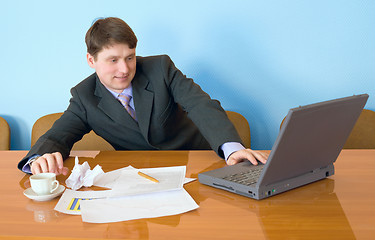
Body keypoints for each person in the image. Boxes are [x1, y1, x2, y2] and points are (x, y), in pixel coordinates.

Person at [18, 17, 267, 175]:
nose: (125, 69)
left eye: (130, 57)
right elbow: (58, 134)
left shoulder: (160, 68)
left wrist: (232, 149)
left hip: (197, 164)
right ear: (91, 60)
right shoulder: (84, 96)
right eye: (113, 60)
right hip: (139, 177)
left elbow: (200, 103)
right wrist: (40, 157)